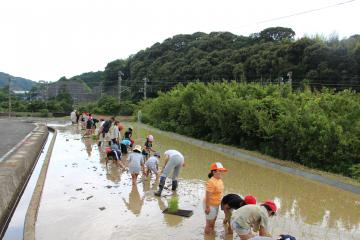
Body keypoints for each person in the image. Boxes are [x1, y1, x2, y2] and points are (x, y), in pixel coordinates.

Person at [204, 162, 227, 235]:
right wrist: (207, 207)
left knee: (213, 222)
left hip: (216, 204)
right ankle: (207, 236)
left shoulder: (220, 180)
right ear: (214, 172)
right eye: (220, 171)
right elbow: (207, 196)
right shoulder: (211, 182)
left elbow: (220, 193)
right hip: (210, 205)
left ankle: (212, 235)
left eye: (222, 171)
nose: (222, 173)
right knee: (209, 223)